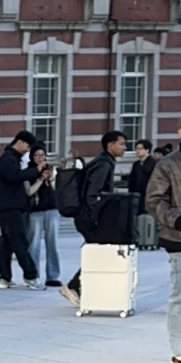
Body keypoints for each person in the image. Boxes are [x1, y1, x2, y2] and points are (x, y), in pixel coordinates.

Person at [61, 130, 127, 308]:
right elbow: (93, 195)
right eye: (121, 144)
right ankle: (73, 286)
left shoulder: (103, 162)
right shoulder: (103, 165)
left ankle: (80, 287)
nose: (124, 148)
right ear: (110, 145)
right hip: (89, 217)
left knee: (98, 251)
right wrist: (98, 216)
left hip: (86, 216)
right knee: (99, 252)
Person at [141, 125, 181, 363]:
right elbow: (154, 200)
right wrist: (177, 219)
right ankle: (179, 351)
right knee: (180, 295)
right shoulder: (168, 164)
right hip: (178, 238)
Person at [0, 130, 44, 290]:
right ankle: (30, 276)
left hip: (7, 206)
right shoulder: (8, 159)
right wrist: (36, 170)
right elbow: (15, 177)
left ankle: (4, 277)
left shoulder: (11, 158)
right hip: (10, 206)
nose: (27, 150)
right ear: (20, 142)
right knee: (19, 241)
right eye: (27, 146)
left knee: (6, 243)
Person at [26, 145, 61, 287]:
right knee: (34, 244)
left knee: (53, 244)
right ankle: (33, 275)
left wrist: (51, 178)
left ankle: (53, 275)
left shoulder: (51, 169)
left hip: (52, 209)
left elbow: (58, 190)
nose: (40, 158)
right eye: (37, 155)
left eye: (42, 155)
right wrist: (40, 179)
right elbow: (29, 192)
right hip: (35, 211)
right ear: (32, 157)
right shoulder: (29, 172)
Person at [129, 139, 156, 210]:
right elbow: (132, 179)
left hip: (148, 195)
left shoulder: (154, 163)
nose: (137, 151)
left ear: (147, 150)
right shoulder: (136, 164)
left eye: (140, 149)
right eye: (136, 149)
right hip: (136, 195)